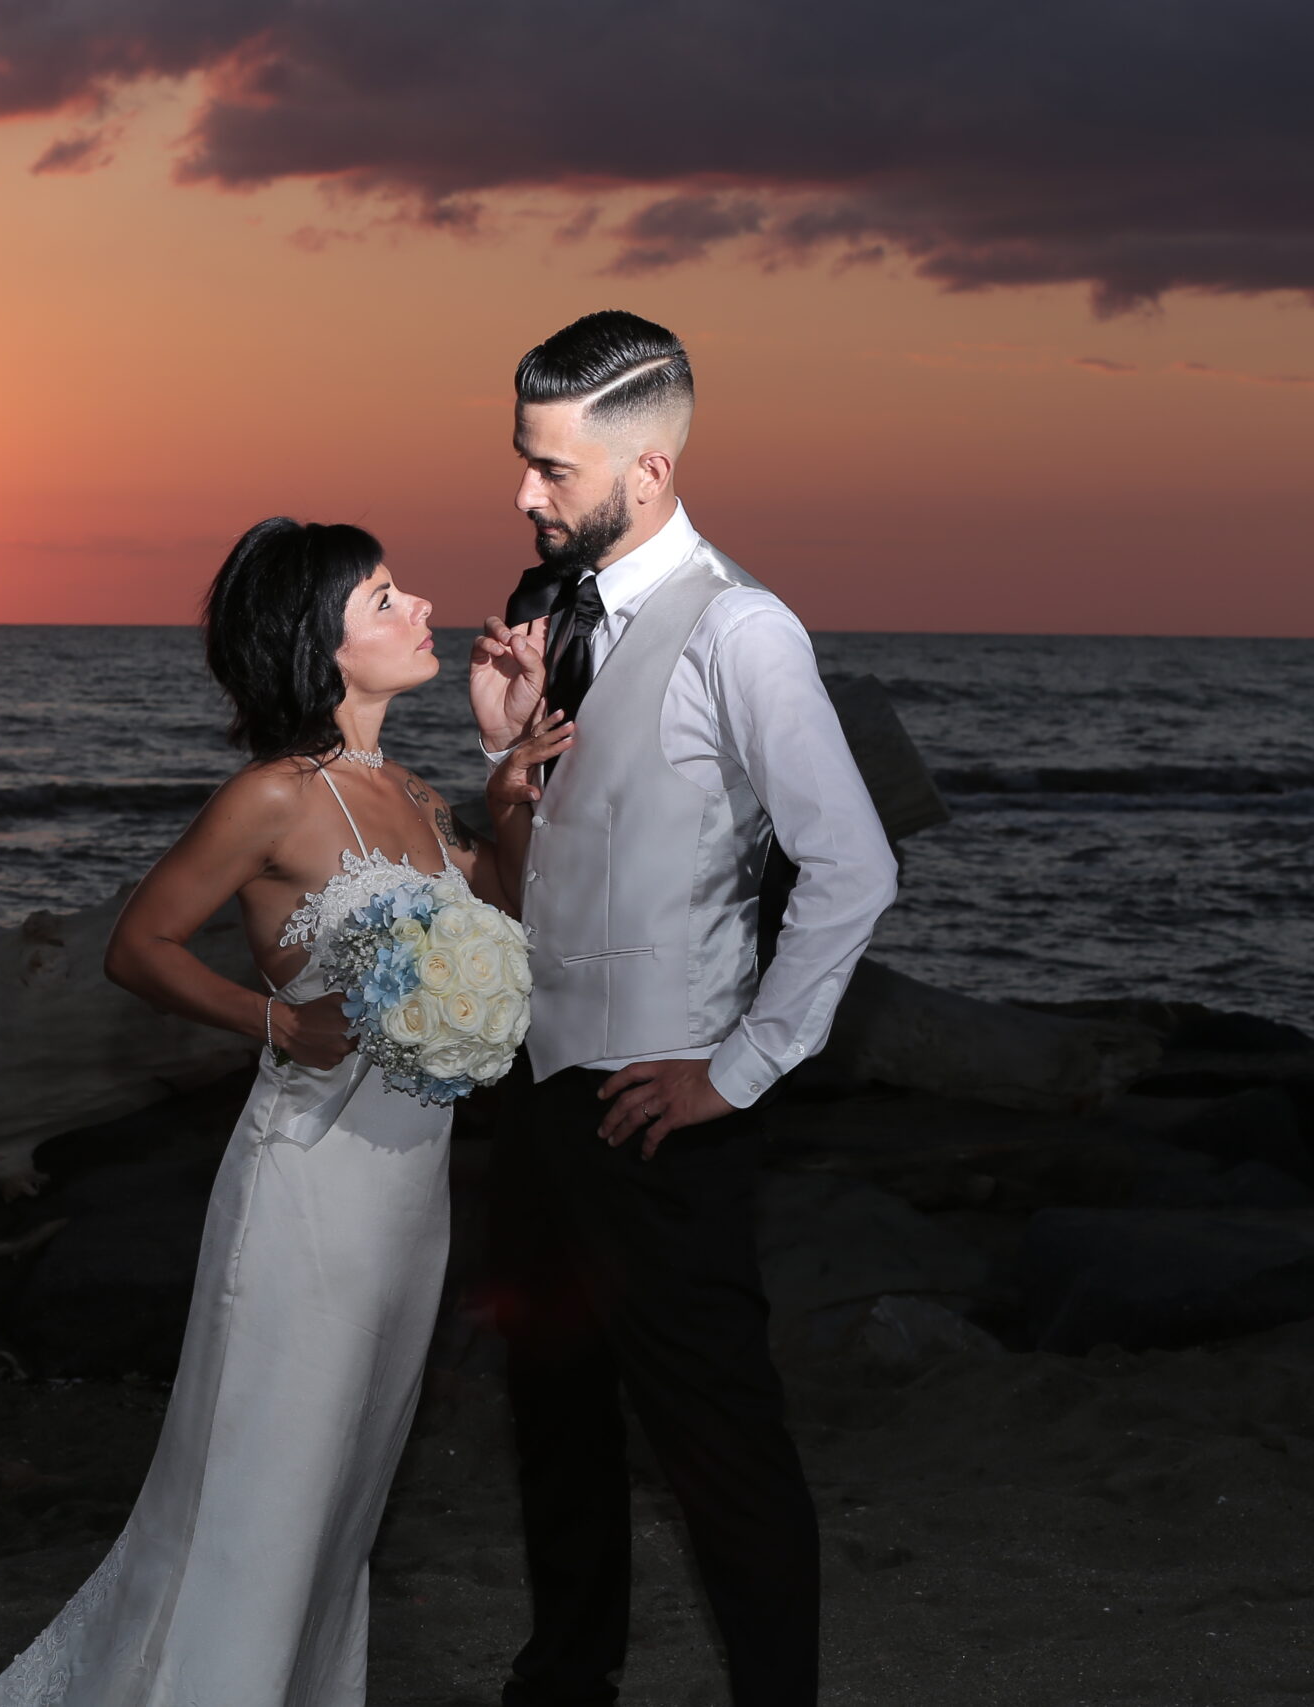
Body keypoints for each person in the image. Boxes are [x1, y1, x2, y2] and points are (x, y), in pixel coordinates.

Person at [0, 516, 569, 1706]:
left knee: (345, 1490)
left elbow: (505, 925)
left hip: (410, 1194)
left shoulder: (412, 789)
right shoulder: (271, 799)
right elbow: (138, 947)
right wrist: (276, 1023)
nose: (419, 609)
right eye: (383, 598)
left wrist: (508, 782)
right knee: (268, 1483)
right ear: (321, 643)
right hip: (307, 1187)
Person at [465, 310, 899, 1707]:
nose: (525, 494)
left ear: (645, 470)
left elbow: (853, 862)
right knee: (554, 1412)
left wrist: (742, 1066)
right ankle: (564, 1676)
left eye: (551, 468)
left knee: (717, 1439)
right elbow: (565, 860)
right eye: (523, 463)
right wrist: (500, 758)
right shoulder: (547, 614)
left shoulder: (744, 628)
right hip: (537, 1090)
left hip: (662, 1111)